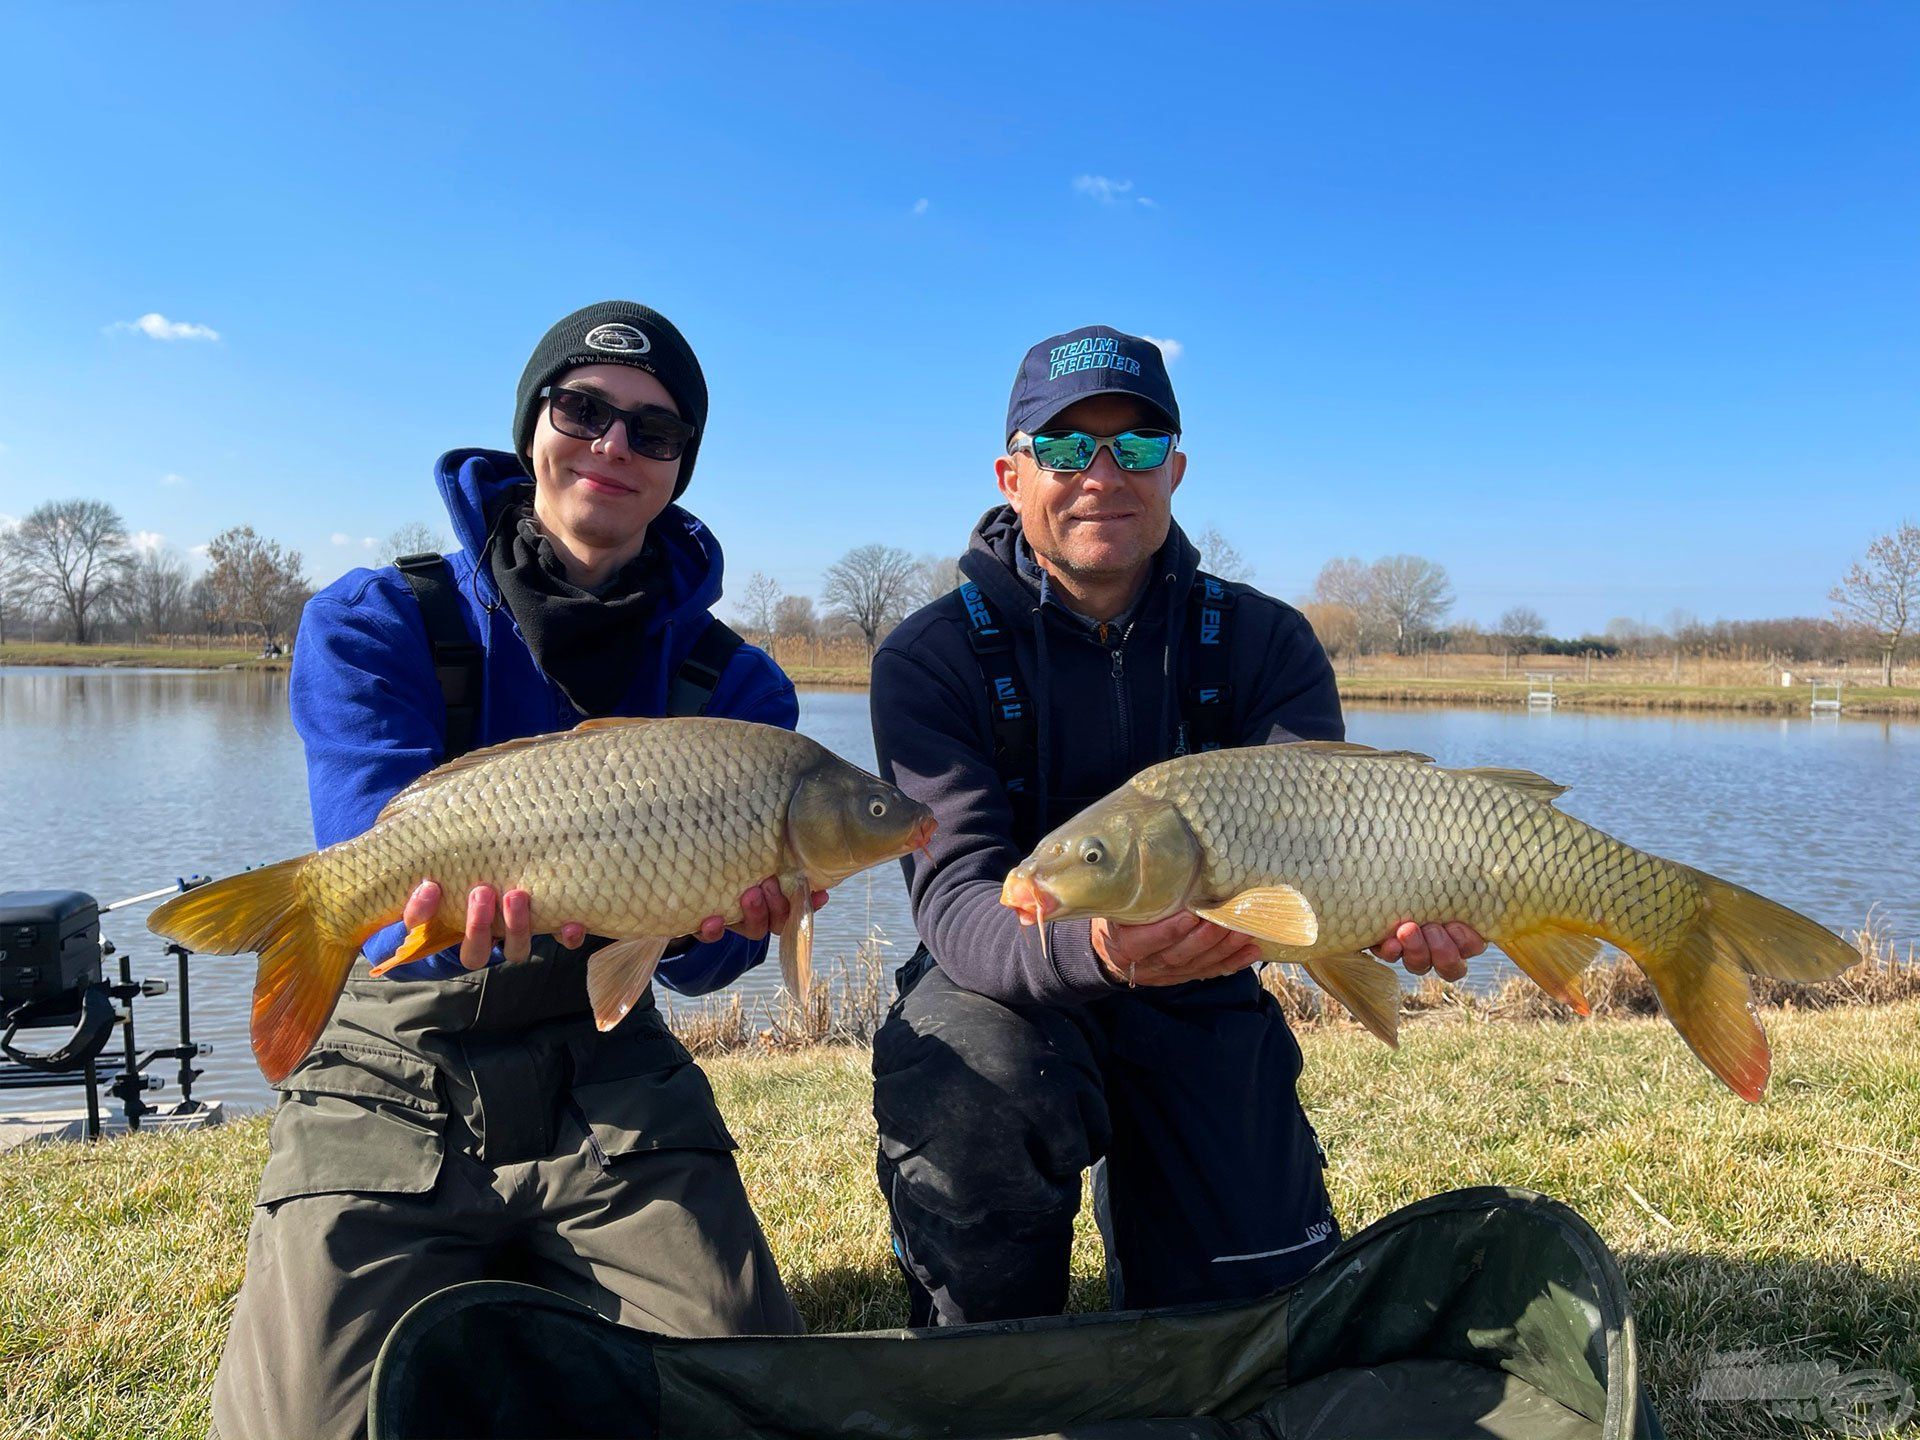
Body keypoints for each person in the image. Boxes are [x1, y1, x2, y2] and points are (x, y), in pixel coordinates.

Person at [210, 302, 813, 1440]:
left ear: (681, 466)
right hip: (395, 1048)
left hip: (604, 1064)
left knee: (753, 1398)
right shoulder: (380, 619)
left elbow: (699, 975)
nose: (611, 448)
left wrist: (717, 923)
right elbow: (376, 890)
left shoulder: (741, 692)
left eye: (652, 431)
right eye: (582, 411)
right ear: (532, 425)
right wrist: (401, 922)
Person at [869, 325, 1486, 1326]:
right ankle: (988, 1333)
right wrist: (1101, 954)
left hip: (1203, 987)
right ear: (1012, 473)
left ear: (1176, 471)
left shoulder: (1264, 642)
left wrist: (1392, 916)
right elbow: (957, 901)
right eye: (1066, 447)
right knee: (967, 1076)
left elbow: (1331, 867)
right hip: (1009, 990)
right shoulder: (931, 655)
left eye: (1138, 446)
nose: (1103, 474)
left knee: (1247, 1328)